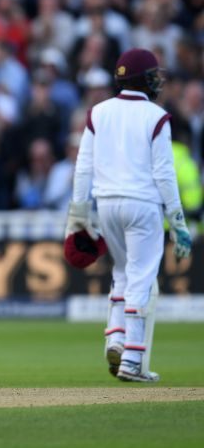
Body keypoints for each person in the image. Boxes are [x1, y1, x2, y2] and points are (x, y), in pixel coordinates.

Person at [66, 48, 192, 383]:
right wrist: (178, 222)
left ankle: (117, 338)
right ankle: (133, 360)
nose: (157, 81)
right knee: (141, 277)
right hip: (143, 205)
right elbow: (164, 175)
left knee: (122, 272)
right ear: (143, 79)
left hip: (106, 203)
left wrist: (78, 213)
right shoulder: (156, 116)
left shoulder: (98, 112)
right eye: (153, 75)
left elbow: (83, 167)